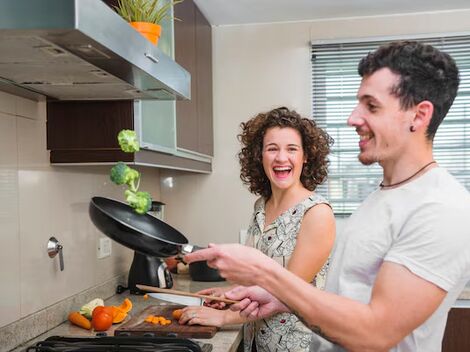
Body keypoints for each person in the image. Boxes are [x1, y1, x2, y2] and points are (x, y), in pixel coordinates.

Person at [184, 41, 470, 352]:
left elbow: (375, 332)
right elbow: (346, 299)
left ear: (419, 115)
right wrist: (278, 299)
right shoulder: (382, 197)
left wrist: (264, 272)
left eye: (371, 106)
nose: (352, 118)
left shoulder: (443, 208)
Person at [178, 107, 336, 351]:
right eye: (272, 148)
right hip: (257, 342)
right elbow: (258, 278)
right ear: (259, 155)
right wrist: (228, 294)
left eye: (291, 149)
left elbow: (288, 293)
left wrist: (224, 318)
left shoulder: (317, 213)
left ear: (306, 156)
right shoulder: (262, 206)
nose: (281, 158)